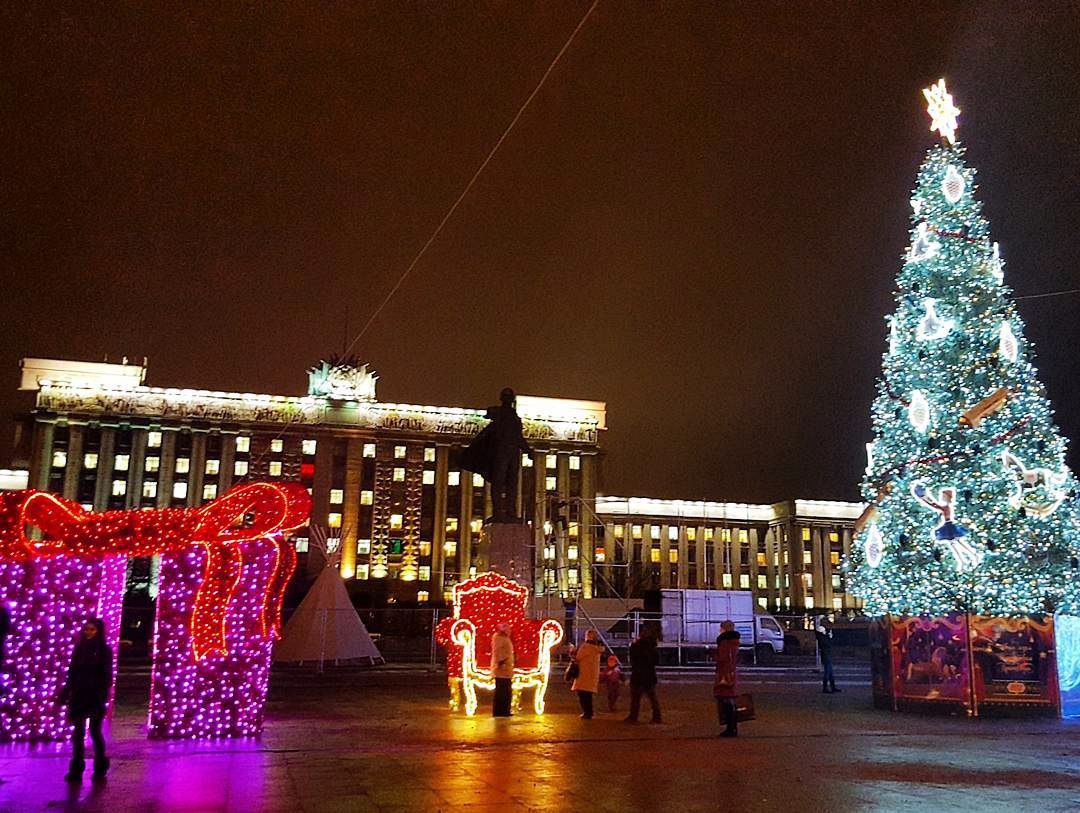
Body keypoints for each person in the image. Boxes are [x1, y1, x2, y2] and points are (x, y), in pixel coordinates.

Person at [60, 618, 113, 781]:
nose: (88, 632)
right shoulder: (79, 649)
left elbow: (107, 674)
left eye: (92, 630)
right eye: (86, 629)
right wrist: (68, 690)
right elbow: (72, 672)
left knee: (95, 731)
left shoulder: (104, 650)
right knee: (78, 733)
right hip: (80, 694)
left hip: (94, 695)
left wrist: (102, 692)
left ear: (98, 631)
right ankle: (77, 767)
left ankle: (100, 765)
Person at [625, 628, 661, 724]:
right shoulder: (653, 647)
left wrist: (633, 644)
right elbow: (656, 661)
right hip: (649, 676)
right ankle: (657, 717)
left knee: (635, 698)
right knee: (652, 698)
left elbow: (633, 658)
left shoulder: (636, 646)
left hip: (638, 675)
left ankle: (633, 717)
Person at [714, 620, 740, 737]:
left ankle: (731, 728)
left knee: (727, 700)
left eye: (721, 628)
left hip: (725, 674)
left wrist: (713, 654)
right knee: (729, 701)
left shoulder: (726, 642)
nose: (720, 630)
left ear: (725, 629)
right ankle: (732, 727)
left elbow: (723, 657)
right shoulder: (733, 642)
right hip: (730, 673)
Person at [570, 629, 604, 719]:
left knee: (582, 695)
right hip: (592, 674)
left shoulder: (586, 647)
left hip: (583, 674)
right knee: (588, 695)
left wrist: (572, 652)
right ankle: (589, 712)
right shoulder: (597, 648)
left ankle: (587, 713)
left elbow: (577, 658)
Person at [490, 623, 514, 717]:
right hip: (502, 668)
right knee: (502, 691)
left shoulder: (504, 638)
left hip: (506, 668)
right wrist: (501, 662)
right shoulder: (499, 638)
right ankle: (500, 711)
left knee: (505, 690)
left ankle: (504, 710)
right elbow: (498, 651)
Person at [815, 616, 840, 693]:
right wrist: (830, 637)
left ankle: (832, 687)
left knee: (830, 673)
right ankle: (826, 688)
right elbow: (828, 644)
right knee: (828, 672)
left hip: (826, 656)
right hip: (826, 656)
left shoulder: (822, 637)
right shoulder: (823, 638)